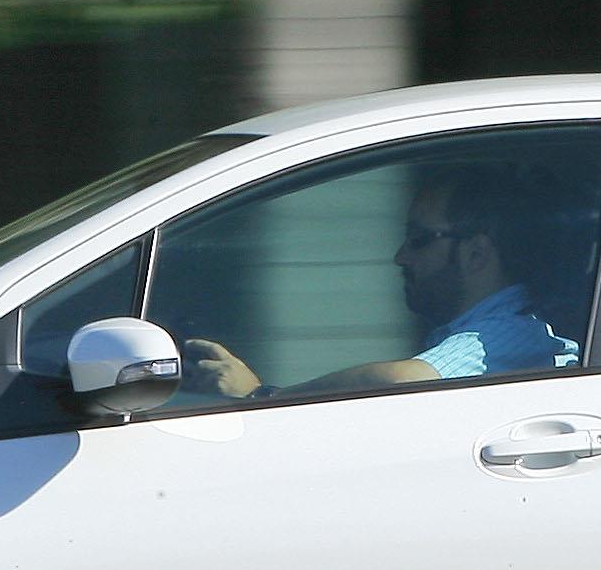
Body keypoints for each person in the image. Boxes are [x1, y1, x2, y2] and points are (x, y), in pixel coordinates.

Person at [183, 163, 579, 402]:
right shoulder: (490, 329)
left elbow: (401, 380)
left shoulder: (509, 332)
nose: (401, 256)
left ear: (476, 253)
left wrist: (262, 397)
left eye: (420, 239)